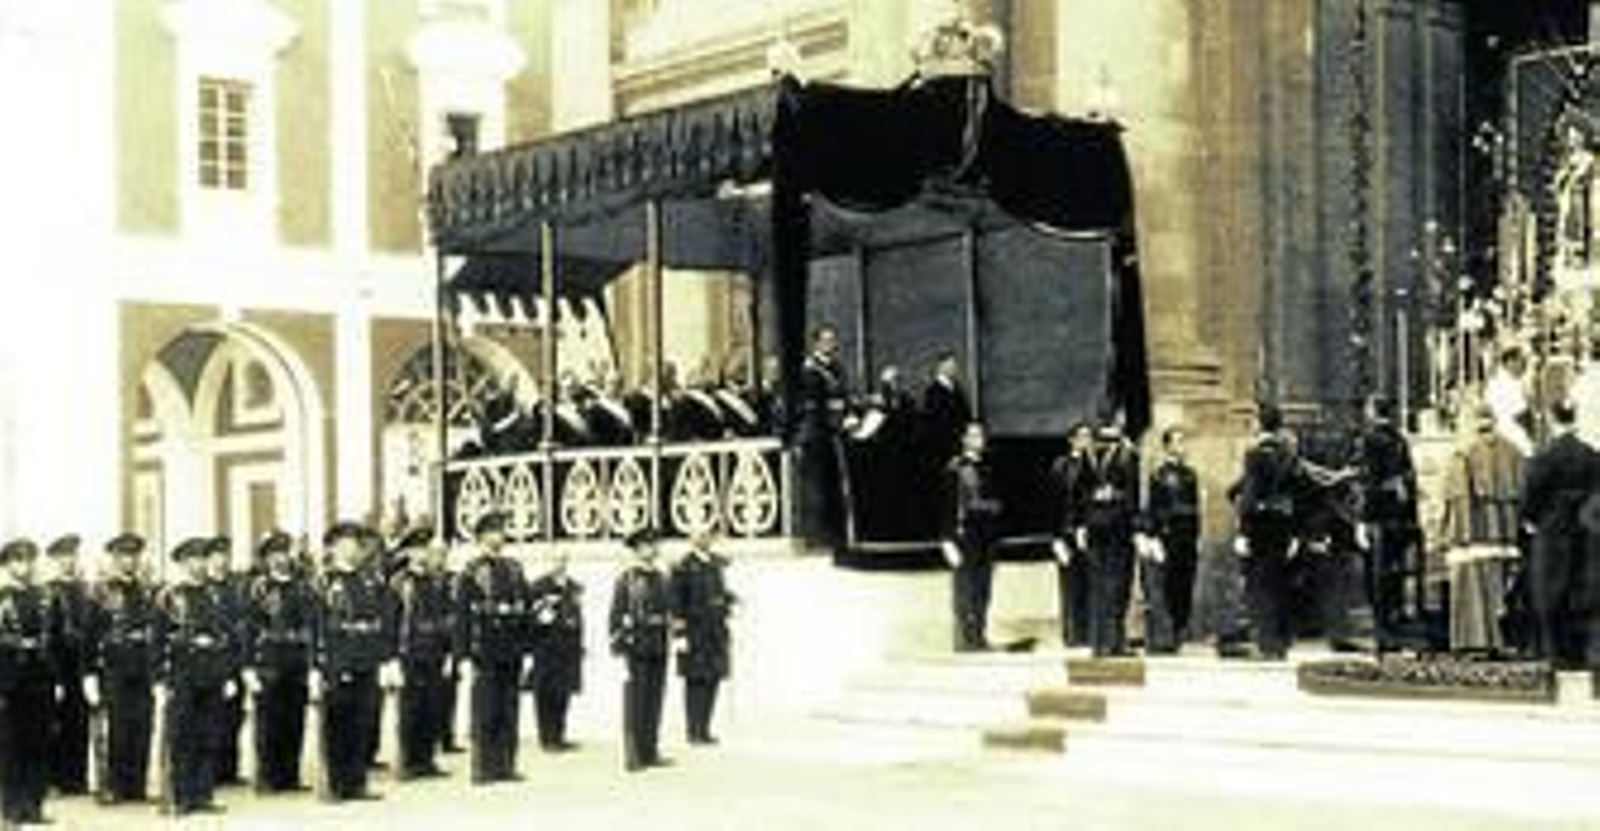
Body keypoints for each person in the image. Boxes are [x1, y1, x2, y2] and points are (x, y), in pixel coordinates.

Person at [312, 522, 391, 802]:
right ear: (333, 548)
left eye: (355, 544)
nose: (351, 549)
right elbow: (316, 626)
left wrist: (384, 659)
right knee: (336, 725)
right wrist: (317, 666)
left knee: (361, 723)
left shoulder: (370, 581)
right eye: (344, 544)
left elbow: (381, 622)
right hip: (337, 661)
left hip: (365, 660)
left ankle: (356, 782)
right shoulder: (323, 583)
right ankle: (335, 785)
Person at [154, 537, 233, 816]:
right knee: (182, 736)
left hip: (210, 675)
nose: (198, 565)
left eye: (201, 558)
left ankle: (203, 794)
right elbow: (157, 641)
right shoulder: (169, 596)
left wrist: (226, 674)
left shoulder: (213, 595)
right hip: (182, 675)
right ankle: (181, 795)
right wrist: (159, 679)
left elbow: (225, 636)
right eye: (192, 560)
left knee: (208, 736)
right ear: (183, 563)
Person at [1439, 406, 1526, 654]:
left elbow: (1457, 499)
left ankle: (1474, 640)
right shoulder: (1514, 452)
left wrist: (1450, 535)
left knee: (1472, 589)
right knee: (1502, 588)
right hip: (1504, 533)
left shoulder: (1463, 454)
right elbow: (1522, 493)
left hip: (1472, 533)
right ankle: (1505, 641)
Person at [454, 512, 531, 784]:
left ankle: (505, 765)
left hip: (511, 648)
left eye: (501, 530)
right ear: (482, 537)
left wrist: (527, 649)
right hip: (484, 649)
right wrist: (462, 655)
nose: (499, 536)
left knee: (509, 709)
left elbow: (525, 610)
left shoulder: (514, 568)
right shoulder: (471, 571)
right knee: (485, 710)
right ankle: (482, 767)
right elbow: (462, 616)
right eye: (493, 531)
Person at [1520, 401, 1600, 664]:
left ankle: (1554, 652)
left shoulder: (1546, 455)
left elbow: (1531, 493)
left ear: (1552, 420)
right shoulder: (1591, 454)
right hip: (1585, 529)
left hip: (1552, 528)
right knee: (1581, 588)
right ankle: (1581, 650)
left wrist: (1530, 519)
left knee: (1549, 589)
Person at [84, 533, 157, 805]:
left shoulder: (148, 590)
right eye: (124, 555)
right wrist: (88, 674)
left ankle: (136, 786)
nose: (130, 560)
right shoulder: (101, 592)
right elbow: (89, 636)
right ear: (115, 558)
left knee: (143, 725)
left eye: (134, 555)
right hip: (114, 668)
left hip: (143, 667)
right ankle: (114, 785)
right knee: (117, 728)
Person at [1230, 403, 1307, 660]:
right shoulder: (1289, 454)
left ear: (1260, 423)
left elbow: (1250, 495)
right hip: (1284, 524)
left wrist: (1243, 531)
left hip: (1260, 525)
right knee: (1280, 583)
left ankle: (1267, 642)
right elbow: (1298, 494)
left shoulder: (1255, 453)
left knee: (1260, 585)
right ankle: (1282, 642)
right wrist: (1296, 532)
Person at [244, 530, 315, 793]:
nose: (280, 559)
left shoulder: (302, 587)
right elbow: (248, 629)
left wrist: (312, 663)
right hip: (269, 662)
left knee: (295, 720)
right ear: (266, 559)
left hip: (296, 661)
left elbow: (312, 624)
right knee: (268, 723)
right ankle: (267, 777)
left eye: (283, 553)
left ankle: (290, 775)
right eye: (274, 554)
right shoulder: (258, 589)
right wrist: (248, 666)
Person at [1356, 396, 1421, 652]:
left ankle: (1382, 634)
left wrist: (1363, 519)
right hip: (1399, 516)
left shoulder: (1370, 439)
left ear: (1372, 411)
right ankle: (1394, 629)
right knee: (1394, 576)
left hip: (1378, 516)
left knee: (1376, 578)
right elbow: (1408, 477)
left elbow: (1369, 481)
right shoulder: (1400, 439)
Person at [0, 538, 55, 825]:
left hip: (40, 681)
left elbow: (54, 641)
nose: (25, 566)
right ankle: (11, 808)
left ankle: (34, 806)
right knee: (11, 746)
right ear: (7, 565)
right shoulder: (2, 597)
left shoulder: (44, 597)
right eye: (19, 560)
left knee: (39, 743)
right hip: (9, 681)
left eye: (29, 560)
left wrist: (56, 680)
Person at [1079, 413, 1143, 657]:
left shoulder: (1091, 453)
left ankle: (1106, 642)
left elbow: (1082, 493)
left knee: (1107, 587)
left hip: (1101, 527)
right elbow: (1132, 494)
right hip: (1115, 528)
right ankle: (1108, 642)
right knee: (1114, 586)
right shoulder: (1125, 454)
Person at [391, 530, 453, 779]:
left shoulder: (434, 581)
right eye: (418, 549)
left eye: (425, 549)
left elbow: (443, 617)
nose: (423, 554)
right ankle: (408, 760)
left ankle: (426, 759)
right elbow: (393, 619)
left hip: (433, 651)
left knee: (431, 706)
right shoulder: (400, 582)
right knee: (410, 709)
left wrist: (447, 649)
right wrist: (393, 656)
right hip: (410, 651)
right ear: (408, 553)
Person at [610, 528, 673, 772]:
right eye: (647, 545)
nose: (653, 549)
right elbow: (616, 615)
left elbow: (668, 611)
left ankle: (650, 750)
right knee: (636, 700)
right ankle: (633, 753)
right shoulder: (627, 579)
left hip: (658, 643)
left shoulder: (662, 578)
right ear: (637, 549)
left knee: (654, 699)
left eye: (655, 544)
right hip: (636, 646)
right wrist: (619, 647)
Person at [669, 532, 736, 744]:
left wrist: (728, 600)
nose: (704, 539)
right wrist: (680, 636)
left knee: (712, 679)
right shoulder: (684, 567)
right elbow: (676, 603)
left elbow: (718, 593)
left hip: (715, 632)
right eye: (699, 535)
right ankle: (694, 730)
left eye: (707, 535)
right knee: (695, 682)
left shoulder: (715, 563)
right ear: (692, 539)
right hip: (695, 633)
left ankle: (705, 729)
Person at [43, 534, 93, 795]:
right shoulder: (49, 591)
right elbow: (47, 637)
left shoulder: (85, 589)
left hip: (81, 665)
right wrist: (54, 676)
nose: (69, 561)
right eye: (63, 557)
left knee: (80, 721)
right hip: (60, 664)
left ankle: (76, 779)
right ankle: (55, 779)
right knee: (57, 722)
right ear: (55, 560)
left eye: (72, 556)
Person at [945, 423, 1002, 652]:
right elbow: (947, 506)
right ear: (964, 439)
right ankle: (965, 639)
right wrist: (947, 539)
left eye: (982, 435)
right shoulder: (956, 467)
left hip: (986, 536)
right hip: (965, 536)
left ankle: (979, 635)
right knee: (965, 588)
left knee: (983, 589)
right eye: (974, 435)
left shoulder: (988, 466)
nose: (980, 439)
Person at [795, 325, 852, 549]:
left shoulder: (837, 367)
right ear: (816, 343)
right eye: (826, 340)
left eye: (833, 340)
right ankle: (817, 537)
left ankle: (836, 535)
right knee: (818, 488)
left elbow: (843, 396)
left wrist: (848, 414)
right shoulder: (809, 369)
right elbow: (812, 404)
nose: (831, 344)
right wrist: (835, 415)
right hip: (817, 434)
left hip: (835, 433)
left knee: (834, 487)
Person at [1146, 427, 1201, 648]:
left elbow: (1195, 508)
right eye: (1177, 441)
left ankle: (1180, 628)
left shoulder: (1190, 474)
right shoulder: (1159, 475)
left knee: (1186, 584)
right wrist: (1154, 536)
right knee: (1169, 585)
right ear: (1167, 446)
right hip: (1168, 534)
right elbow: (1154, 508)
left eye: (1183, 441)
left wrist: (1197, 536)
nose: (1182, 446)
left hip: (1187, 536)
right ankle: (1167, 633)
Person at [527, 549, 584, 753]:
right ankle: (547, 737)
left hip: (567, 648)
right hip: (545, 647)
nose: (559, 564)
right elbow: (530, 614)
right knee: (545, 694)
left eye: (562, 560)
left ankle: (559, 735)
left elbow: (578, 618)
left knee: (563, 693)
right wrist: (541, 614)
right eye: (555, 560)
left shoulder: (574, 587)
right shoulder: (538, 586)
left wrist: (580, 644)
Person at [204, 535, 249, 787]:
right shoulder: (204, 587)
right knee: (213, 717)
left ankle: (229, 770)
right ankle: (211, 771)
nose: (222, 560)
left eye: (225, 555)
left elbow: (242, 623)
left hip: (234, 659)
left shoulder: (236, 587)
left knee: (234, 717)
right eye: (217, 556)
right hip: (211, 662)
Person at [1051, 423, 1095, 647]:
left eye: (1089, 436)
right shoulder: (1062, 465)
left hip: (1090, 532)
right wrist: (1056, 537)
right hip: (1067, 531)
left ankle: (1088, 633)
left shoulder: (1095, 464)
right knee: (1070, 584)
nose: (1086, 441)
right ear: (1072, 440)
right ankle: (1072, 634)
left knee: (1089, 583)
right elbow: (1054, 502)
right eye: (1082, 436)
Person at [1484, 346, 1533, 457]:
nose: (1524, 366)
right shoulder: (1498, 384)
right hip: (1509, 430)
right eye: (1521, 361)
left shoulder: (1518, 382)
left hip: (1516, 431)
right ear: (1510, 362)